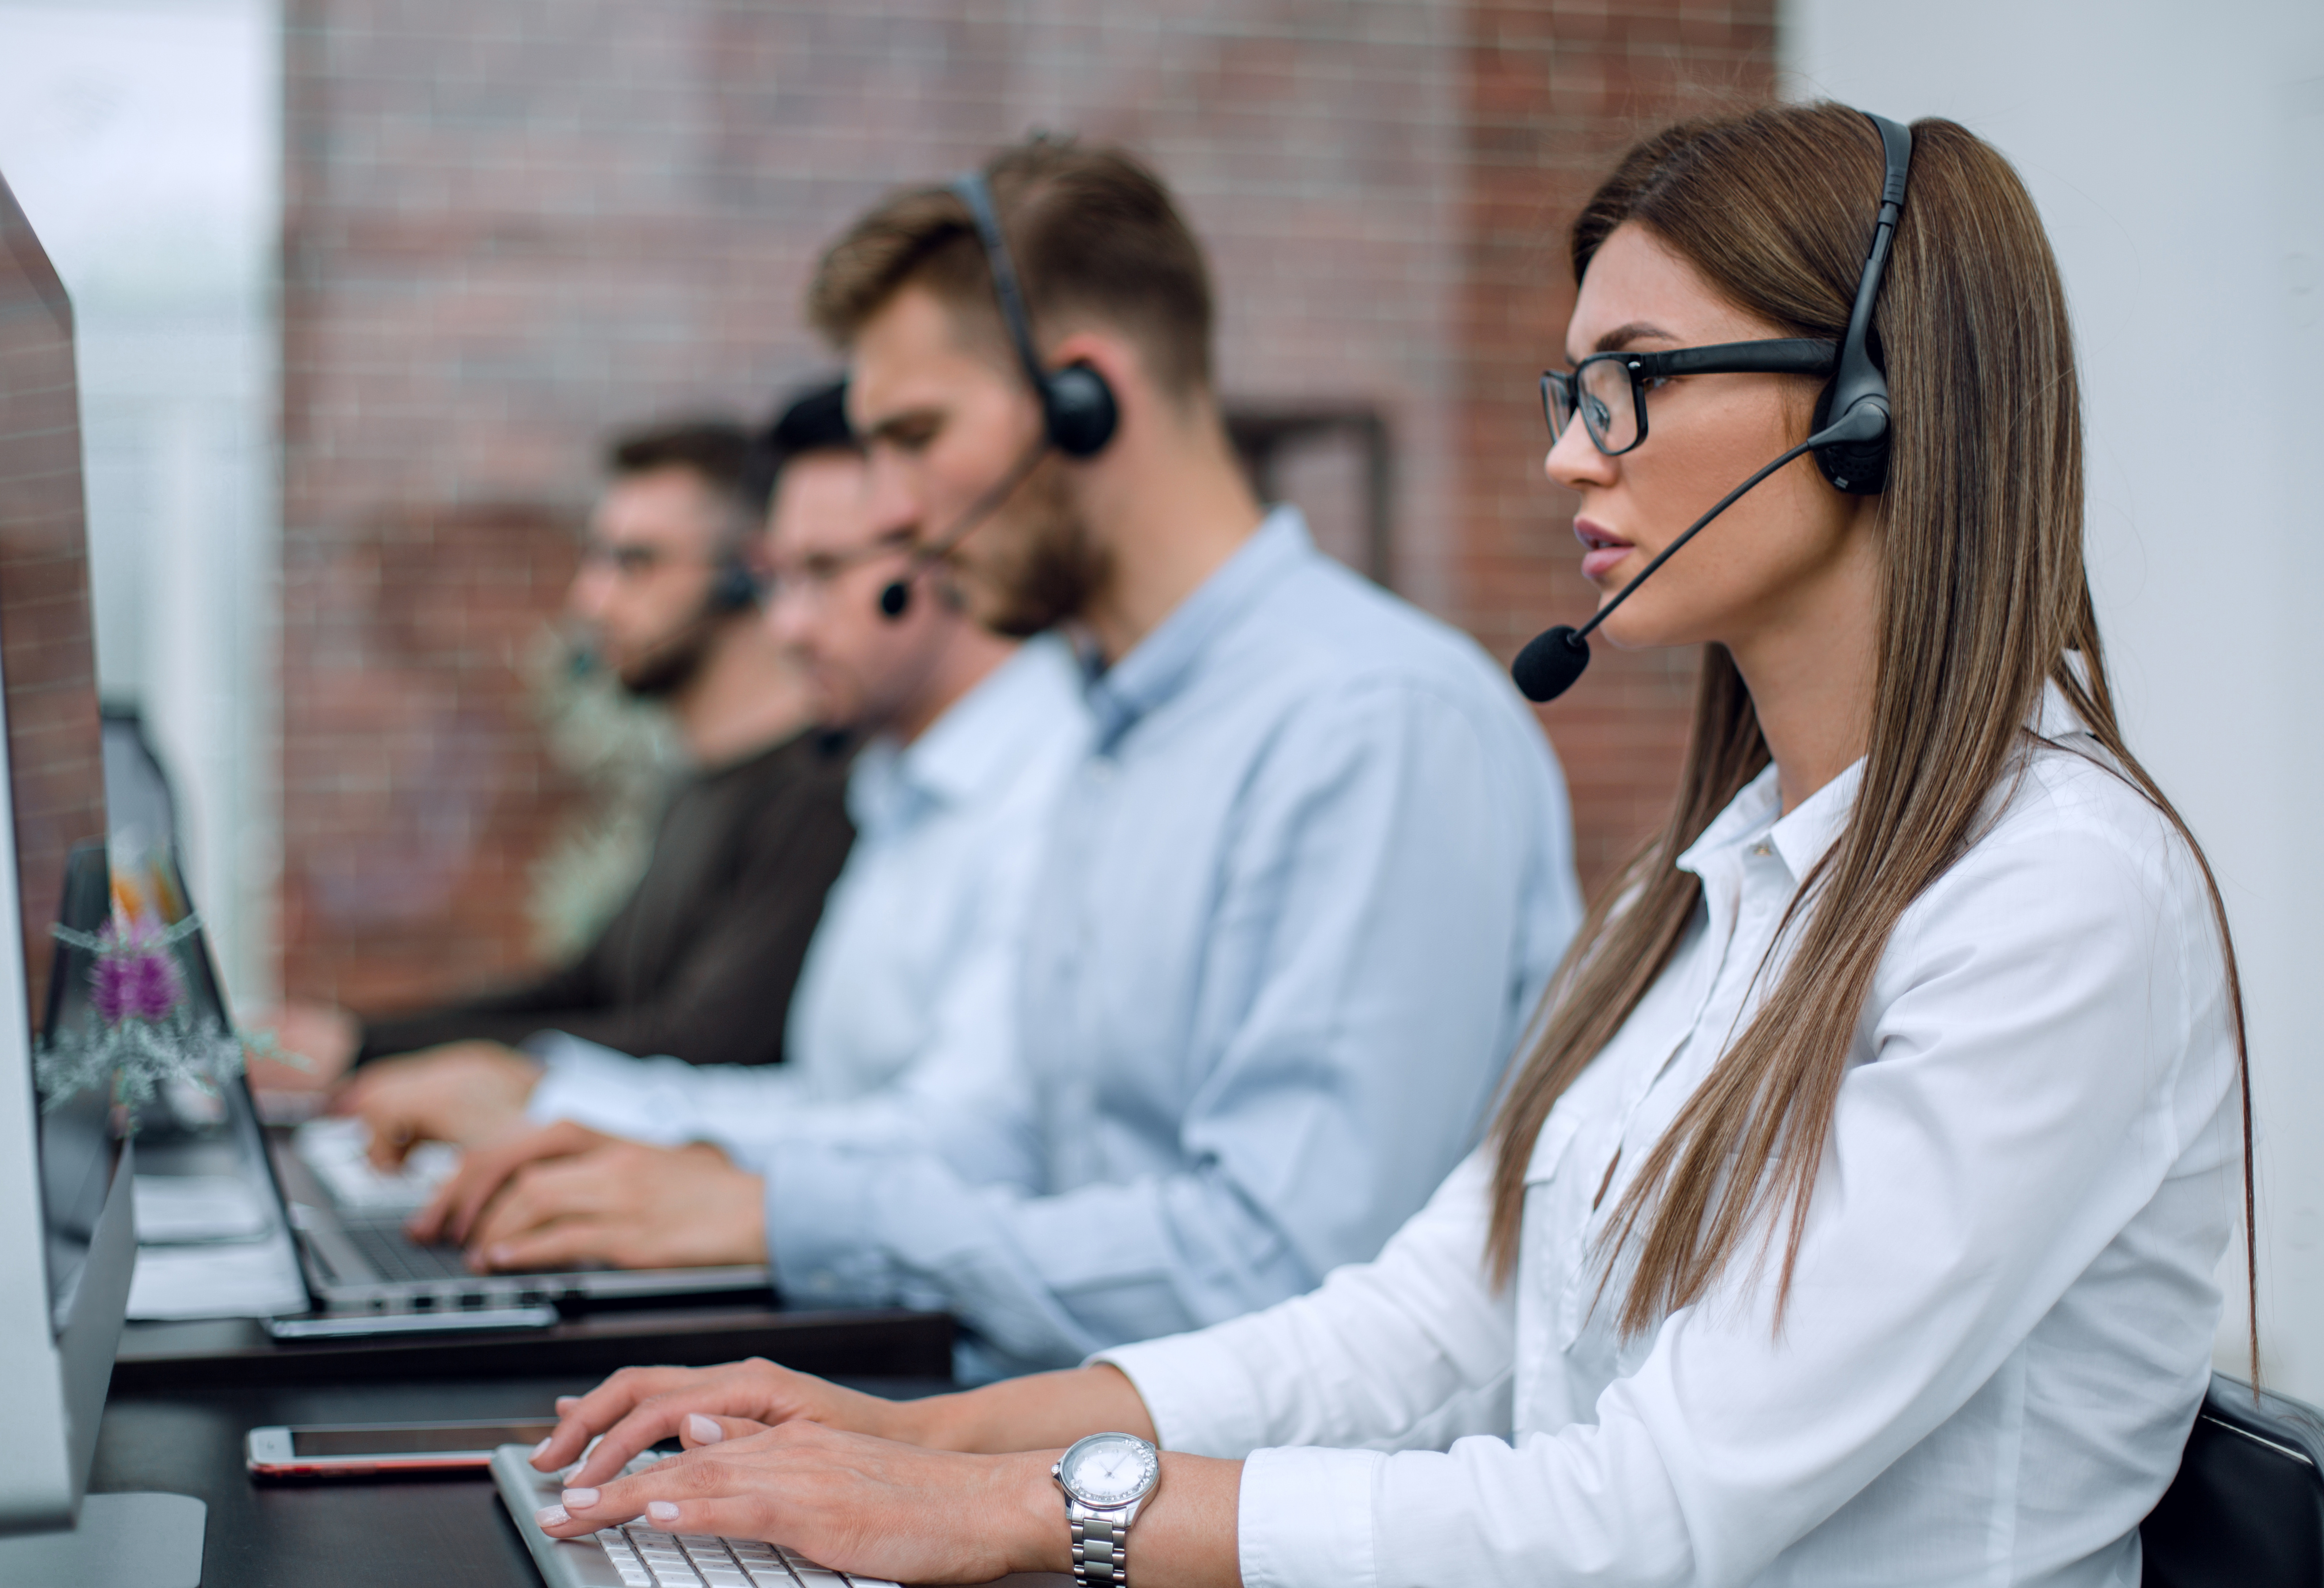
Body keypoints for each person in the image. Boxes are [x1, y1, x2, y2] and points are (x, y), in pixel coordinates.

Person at [517, 105, 2252, 1587]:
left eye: (1633, 384)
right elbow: (1420, 1327)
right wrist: (915, 1442)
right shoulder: (1704, 888)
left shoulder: (2056, 898)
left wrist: (1016, 1515)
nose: (1568, 453)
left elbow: (1647, 1507)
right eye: (1569, 387)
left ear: (1871, 407)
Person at [386, 136, 1584, 1375]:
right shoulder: (1114, 728)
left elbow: (1283, 1270)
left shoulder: (1370, 724)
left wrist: (781, 1218)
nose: (892, 512)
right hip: (1052, 1457)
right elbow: (992, 1142)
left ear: (1085, 398)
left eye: (915, 435)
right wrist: (647, 1153)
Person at [345, 379, 1090, 1262]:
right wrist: (556, 1101)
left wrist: (564, 1112)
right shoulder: (892, 788)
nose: (781, 626)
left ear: (949, 554)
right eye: (776, 579)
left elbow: (968, 1149)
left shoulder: (1053, 787)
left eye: (820, 575)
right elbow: (823, 1102)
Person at [261, 413, 857, 1115]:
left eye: (635, 563)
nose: (590, 600)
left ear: (750, 578)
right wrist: (355, 1043)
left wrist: (410, 1066)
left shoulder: (822, 796)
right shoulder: (699, 785)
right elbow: (588, 988)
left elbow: (702, 1043)